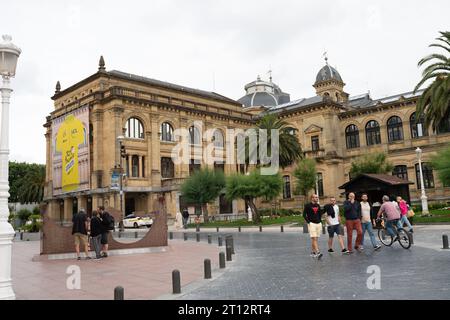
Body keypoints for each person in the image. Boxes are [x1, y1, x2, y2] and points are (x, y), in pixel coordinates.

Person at [303, 194, 323, 259]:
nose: (317, 198)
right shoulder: (308, 205)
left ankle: (313, 252)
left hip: (318, 224)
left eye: (317, 197)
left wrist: (320, 221)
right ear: (312, 198)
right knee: (314, 238)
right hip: (312, 224)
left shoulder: (318, 205)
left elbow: (320, 214)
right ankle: (318, 252)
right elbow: (304, 215)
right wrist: (309, 222)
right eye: (316, 197)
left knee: (315, 239)